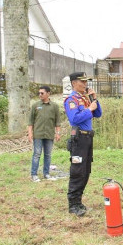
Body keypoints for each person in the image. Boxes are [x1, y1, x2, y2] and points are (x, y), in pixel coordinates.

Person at [64, 72, 102, 217]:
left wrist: (95, 100)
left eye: (86, 82)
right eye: (82, 82)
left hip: (87, 139)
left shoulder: (85, 99)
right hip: (79, 139)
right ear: (74, 83)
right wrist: (89, 110)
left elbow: (98, 114)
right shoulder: (71, 100)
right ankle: (73, 204)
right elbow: (74, 119)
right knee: (77, 171)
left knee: (85, 171)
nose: (85, 84)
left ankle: (79, 202)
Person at [28, 85, 61, 182]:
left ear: (48, 93)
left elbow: (57, 122)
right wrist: (30, 134)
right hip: (38, 134)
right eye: (39, 93)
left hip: (49, 135)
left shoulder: (54, 106)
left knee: (48, 154)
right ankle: (34, 174)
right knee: (37, 154)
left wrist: (58, 133)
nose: (40, 95)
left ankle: (46, 174)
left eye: (42, 93)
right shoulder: (35, 106)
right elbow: (30, 122)